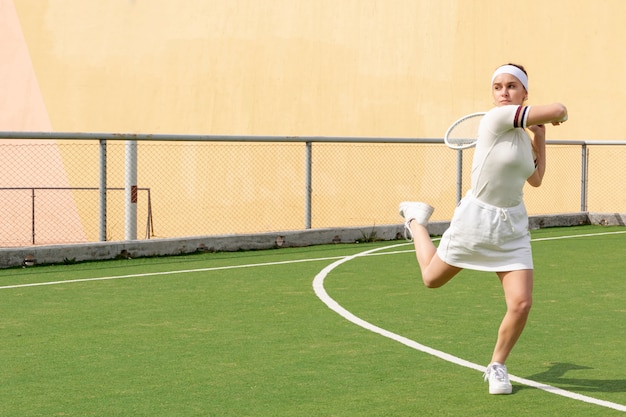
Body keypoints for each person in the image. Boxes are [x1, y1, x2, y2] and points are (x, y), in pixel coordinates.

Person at [398, 63, 568, 395]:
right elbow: (560, 109)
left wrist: (541, 136)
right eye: (497, 87)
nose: (504, 92)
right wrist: (557, 116)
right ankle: (416, 220)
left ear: (524, 93)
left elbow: (535, 179)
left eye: (511, 86)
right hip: (476, 220)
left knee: (521, 303)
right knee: (431, 279)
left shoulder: (521, 133)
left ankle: (497, 366)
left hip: (513, 226)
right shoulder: (496, 119)